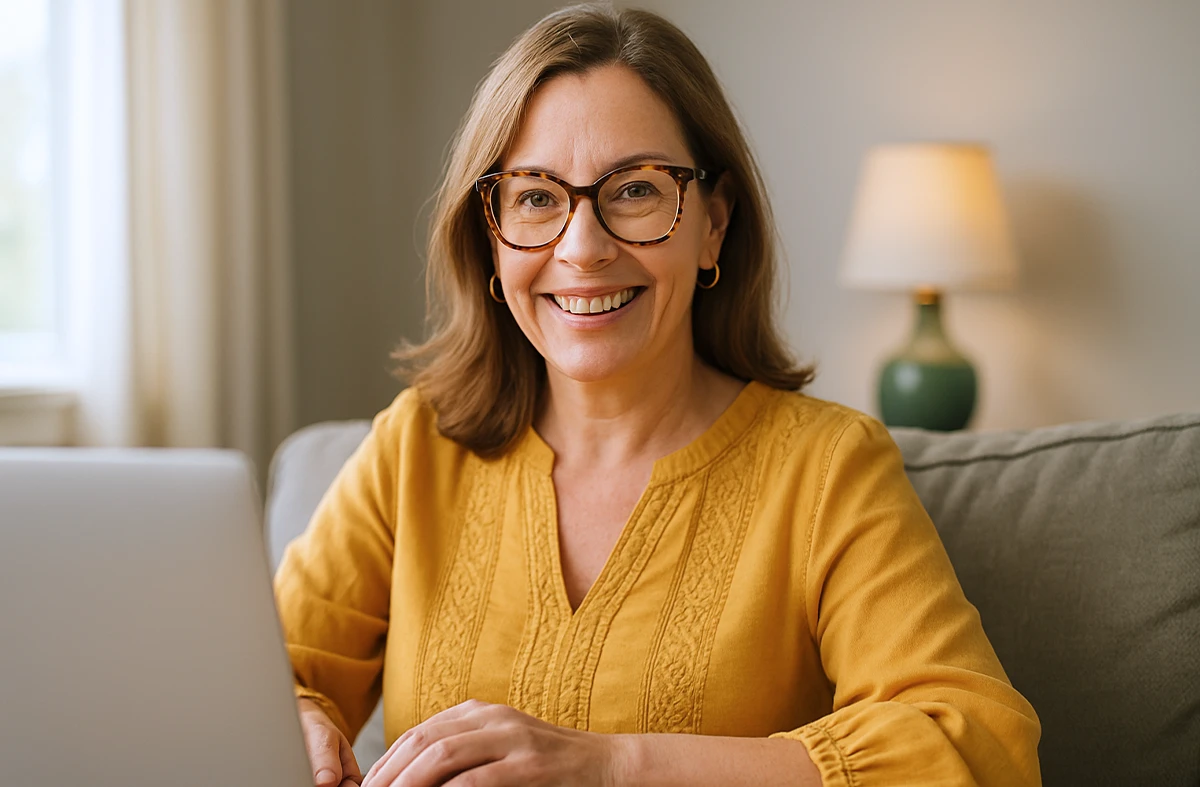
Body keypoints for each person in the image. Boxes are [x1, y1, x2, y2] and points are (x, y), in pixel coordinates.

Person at [274, 5, 1042, 786]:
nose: (582, 246)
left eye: (635, 189)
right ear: (491, 235)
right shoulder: (414, 449)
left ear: (713, 222)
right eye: (536, 197)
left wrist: (615, 763)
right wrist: (294, 724)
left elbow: (975, 743)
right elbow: (269, 676)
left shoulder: (826, 468)